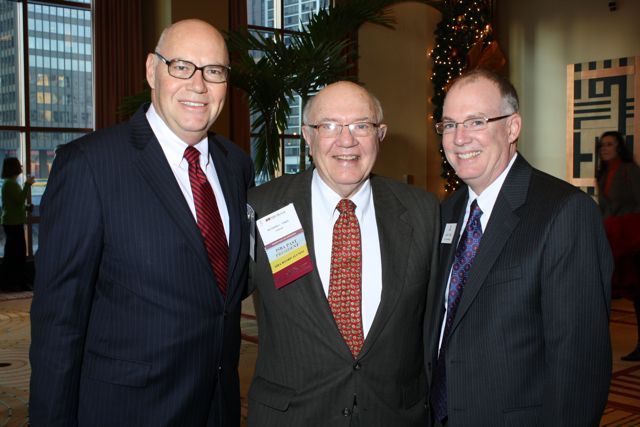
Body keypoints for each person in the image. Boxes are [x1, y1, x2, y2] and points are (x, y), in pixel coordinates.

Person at [29, 19, 253, 427]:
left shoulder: (235, 165)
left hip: (219, 407)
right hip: (128, 411)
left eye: (214, 71)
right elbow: (58, 323)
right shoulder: (89, 165)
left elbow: (228, 285)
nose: (198, 85)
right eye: (181, 66)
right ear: (152, 70)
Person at [426, 69, 613, 426]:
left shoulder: (564, 212)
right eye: (449, 125)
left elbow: (579, 364)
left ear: (512, 128)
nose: (459, 138)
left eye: (476, 121)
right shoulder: (446, 213)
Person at [246, 81, 439, 426]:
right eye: (330, 126)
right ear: (308, 135)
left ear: (380, 135)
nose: (346, 141)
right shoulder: (261, 208)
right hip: (293, 417)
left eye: (361, 126)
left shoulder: (424, 212)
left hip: (393, 416)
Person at [596, 130, 640, 361]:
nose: (605, 148)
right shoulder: (603, 173)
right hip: (614, 236)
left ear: (619, 147)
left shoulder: (629, 170)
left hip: (633, 237)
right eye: (603, 145)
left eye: (610, 144)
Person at [1, 157, 34, 291]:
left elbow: (12, 204)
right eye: (18, 165)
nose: (21, 167)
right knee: (18, 254)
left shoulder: (8, 183)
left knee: (12, 254)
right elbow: (20, 200)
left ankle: (10, 283)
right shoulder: (11, 184)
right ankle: (18, 283)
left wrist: (26, 208)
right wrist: (27, 184)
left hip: (10, 222)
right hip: (14, 223)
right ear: (13, 167)